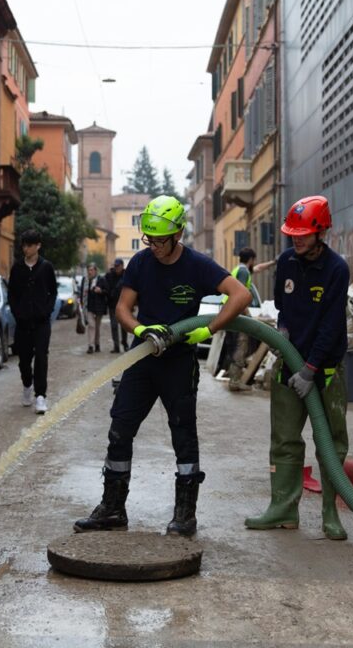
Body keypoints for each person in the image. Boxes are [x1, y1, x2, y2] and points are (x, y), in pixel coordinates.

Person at [74, 195, 250, 537]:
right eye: (149, 239)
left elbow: (240, 295)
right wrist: (140, 329)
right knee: (119, 428)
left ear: (177, 235)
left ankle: (185, 514)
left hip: (179, 362)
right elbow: (123, 308)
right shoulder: (140, 263)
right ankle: (112, 507)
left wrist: (206, 328)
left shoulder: (198, 265)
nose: (153, 246)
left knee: (184, 435)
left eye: (159, 240)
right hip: (143, 358)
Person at [245, 195, 351, 540]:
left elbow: (331, 325)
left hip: (324, 370)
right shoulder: (287, 261)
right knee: (285, 440)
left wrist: (310, 370)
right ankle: (283, 509)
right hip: (288, 364)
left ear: (321, 232)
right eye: (293, 233)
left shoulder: (336, 269)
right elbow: (284, 308)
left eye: (303, 233)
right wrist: (284, 335)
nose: (296, 238)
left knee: (331, 444)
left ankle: (330, 513)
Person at [7, 230, 58, 415]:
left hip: (42, 322)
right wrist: (16, 312)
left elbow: (53, 292)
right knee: (24, 360)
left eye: (29, 245)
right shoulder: (17, 268)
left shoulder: (46, 267)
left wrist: (47, 310)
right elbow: (11, 293)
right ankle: (27, 385)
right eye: (24, 245)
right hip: (23, 323)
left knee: (42, 357)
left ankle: (40, 396)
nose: (26, 249)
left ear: (38, 245)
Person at [224, 247, 277, 390]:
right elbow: (239, 294)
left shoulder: (241, 269)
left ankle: (234, 379)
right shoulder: (243, 272)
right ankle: (235, 382)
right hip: (236, 314)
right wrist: (248, 315)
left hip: (232, 313)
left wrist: (273, 262)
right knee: (241, 346)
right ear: (251, 260)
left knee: (238, 346)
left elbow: (258, 268)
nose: (256, 263)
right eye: (255, 260)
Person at [80, 263, 108, 353]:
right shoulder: (85, 280)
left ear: (95, 271)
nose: (90, 272)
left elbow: (107, 291)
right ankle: (91, 346)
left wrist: (100, 291)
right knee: (91, 326)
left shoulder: (101, 279)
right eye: (89, 270)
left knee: (97, 327)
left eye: (91, 270)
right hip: (88, 307)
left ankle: (97, 344)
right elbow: (81, 293)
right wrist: (81, 304)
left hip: (99, 307)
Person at [104, 258, 129, 353]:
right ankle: (116, 346)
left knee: (124, 326)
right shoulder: (109, 276)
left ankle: (125, 343)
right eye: (115, 266)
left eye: (118, 266)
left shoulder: (127, 275)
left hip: (125, 305)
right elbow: (106, 288)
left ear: (122, 266)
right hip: (112, 305)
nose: (116, 268)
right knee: (114, 326)